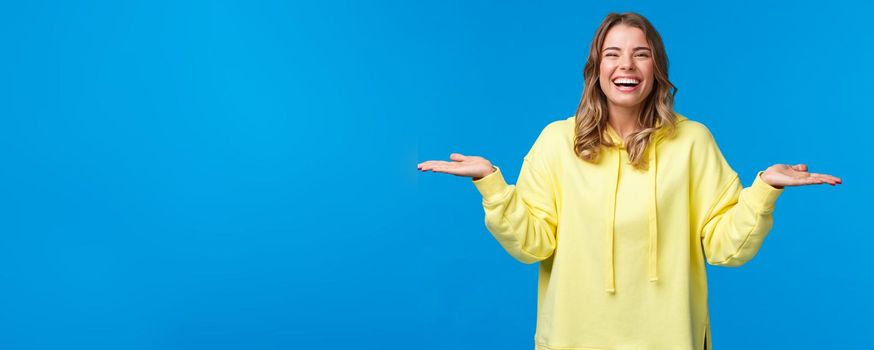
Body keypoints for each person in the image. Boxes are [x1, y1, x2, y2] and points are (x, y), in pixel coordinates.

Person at [417, 12, 841, 350]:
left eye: (641, 54)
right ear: (596, 67)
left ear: (656, 67)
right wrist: (491, 183)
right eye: (613, 54)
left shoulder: (692, 142)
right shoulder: (556, 142)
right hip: (572, 341)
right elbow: (533, 245)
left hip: (671, 341)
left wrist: (765, 188)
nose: (626, 65)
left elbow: (725, 248)